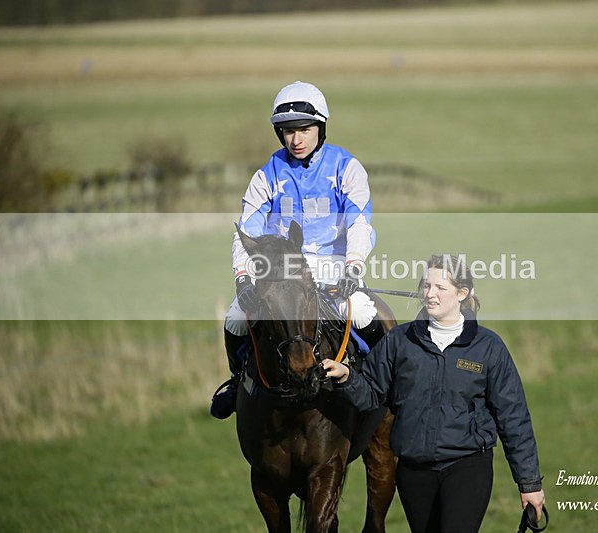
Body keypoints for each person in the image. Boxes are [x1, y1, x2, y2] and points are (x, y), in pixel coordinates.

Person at [323, 254, 545, 532]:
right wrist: (347, 378)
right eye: (426, 286)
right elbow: (371, 396)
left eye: (440, 287)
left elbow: (514, 418)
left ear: (462, 293)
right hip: (413, 470)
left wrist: (529, 484)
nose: (430, 294)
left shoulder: (488, 347)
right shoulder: (399, 341)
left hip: (467, 466)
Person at [211, 81, 382, 420]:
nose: (296, 140)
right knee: (235, 319)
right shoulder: (267, 175)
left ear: (320, 127)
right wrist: (243, 278)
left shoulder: (346, 168)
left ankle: (382, 383)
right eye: (289, 131)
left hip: (334, 265)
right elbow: (246, 230)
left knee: (363, 313)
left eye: (304, 130)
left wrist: (353, 267)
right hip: (282, 269)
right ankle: (237, 381)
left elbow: (359, 222)